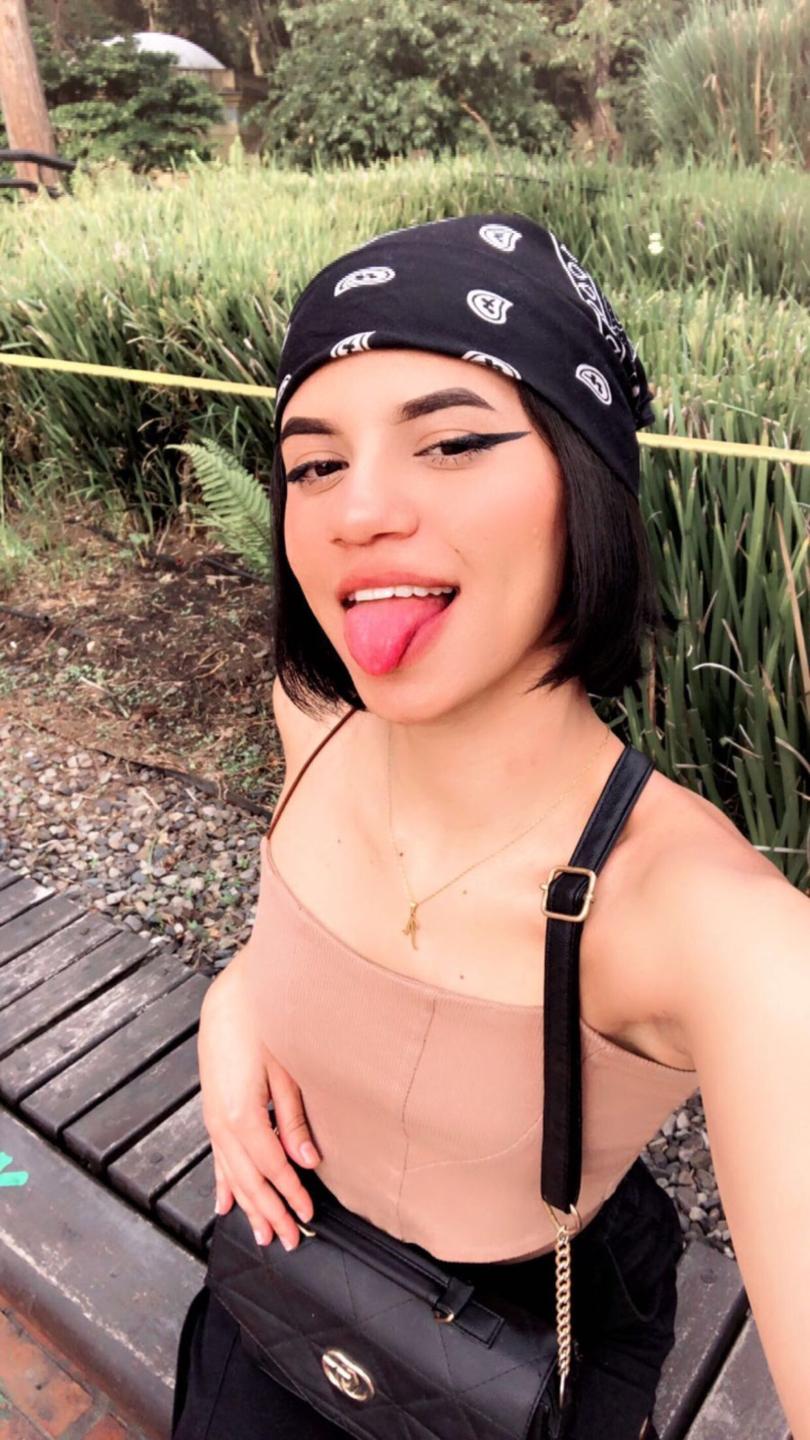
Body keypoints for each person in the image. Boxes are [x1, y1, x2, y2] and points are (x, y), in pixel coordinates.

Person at [171, 212, 810, 1440]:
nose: (357, 511)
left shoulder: (706, 925)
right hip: (278, 1282)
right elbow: (295, 943)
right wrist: (233, 1006)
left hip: (520, 1356)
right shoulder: (315, 720)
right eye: (315, 464)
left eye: (454, 442)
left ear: (586, 480)